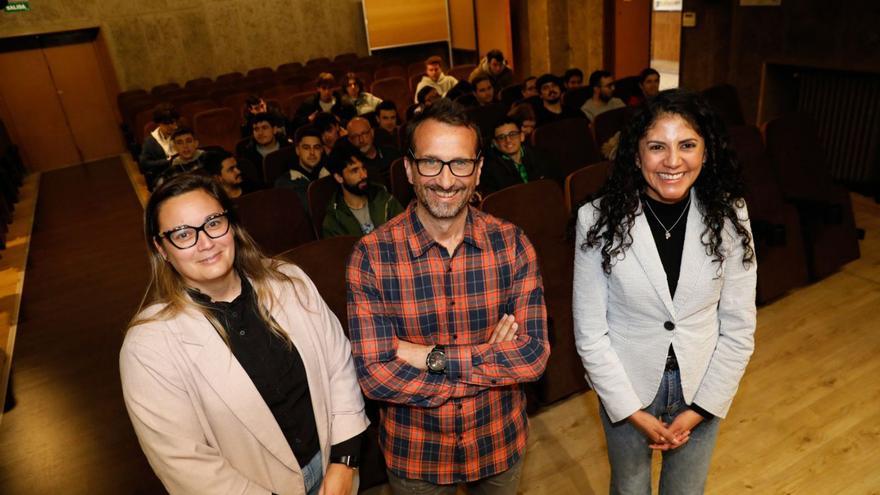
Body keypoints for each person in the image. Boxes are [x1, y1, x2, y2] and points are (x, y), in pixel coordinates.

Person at [120, 173, 369, 495]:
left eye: (212, 222)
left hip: (336, 474)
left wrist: (344, 462)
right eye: (182, 234)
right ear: (162, 248)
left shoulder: (290, 281)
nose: (205, 242)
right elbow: (186, 464)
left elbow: (339, 369)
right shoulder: (148, 347)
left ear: (231, 224)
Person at [346, 99, 549, 494]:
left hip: (498, 440)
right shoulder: (371, 256)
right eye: (430, 163)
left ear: (478, 171)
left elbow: (532, 357)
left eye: (460, 163)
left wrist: (426, 356)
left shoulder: (512, 244)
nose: (445, 179)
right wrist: (489, 358)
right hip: (417, 454)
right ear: (408, 168)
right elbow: (374, 376)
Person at [573, 89, 757, 494]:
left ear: (706, 153)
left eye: (687, 145)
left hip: (702, 384)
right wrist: (632, 412)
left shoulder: (731, 214)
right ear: (636, 156)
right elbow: (590, 333)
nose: (673, 161)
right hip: (626, 388)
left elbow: (739, 328)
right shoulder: (596, 219)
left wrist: (699, 410)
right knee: (629, 489)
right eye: (657, 147)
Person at [322, 140, 403, 238]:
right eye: (355, 171)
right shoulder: (334, 221)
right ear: (339, 177)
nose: (364, 175)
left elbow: (405, 229)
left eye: (363, 168)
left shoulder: (383, 198)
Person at [480, 116, 551, 194]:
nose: (508, 140)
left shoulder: (541, 156)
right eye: (501, 137)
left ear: (522, 136)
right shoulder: (489, 170)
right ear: (495, 143)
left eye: (513, 134)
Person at [275, 126, 330, 210]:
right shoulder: (285, 183)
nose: (312, 152)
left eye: (316, 147)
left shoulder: (329, 173)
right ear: (297, 150)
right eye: (306, 148)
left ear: (322, 150)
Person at [346, 116, 400, 187]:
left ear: (372, 132)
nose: (361, 140)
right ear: (350, 141)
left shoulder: (392, 153)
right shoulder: (354, 167)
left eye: (364, 133)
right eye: (355, 136)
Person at [139, 103, 179, 190]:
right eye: (168, 124)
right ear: (159, 123)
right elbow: (144, 164)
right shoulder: (150, 141)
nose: (173, 127)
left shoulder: (181, 132)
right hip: (164, 175)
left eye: (174, 122)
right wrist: (167, 161)